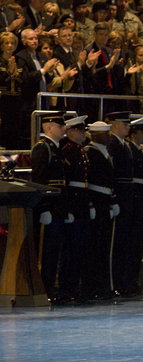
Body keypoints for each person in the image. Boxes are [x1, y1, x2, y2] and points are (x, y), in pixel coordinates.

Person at [30, 111, 71, 304]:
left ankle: (52, 287)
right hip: (49, 208)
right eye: (59, 125)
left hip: (59, 207)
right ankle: (44, 289)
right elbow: (39, 180)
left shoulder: (57, 148)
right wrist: (44, 207)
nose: (64, 128)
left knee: (56, 251)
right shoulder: (42, 149)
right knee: (46, 252)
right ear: (48, 127)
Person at [83, 121, 119, 301]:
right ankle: (92, 287)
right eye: (106, 134)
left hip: (105, 202)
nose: (109, 136)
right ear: (96, 135)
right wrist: (90, 204)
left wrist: (112, 201)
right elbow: (87, 180)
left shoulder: (106, 152)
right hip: (96, 202)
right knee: (94, 247)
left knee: (104, 246)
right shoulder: (90, 153)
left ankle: (102, 286)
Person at [60, 114, 90, 303]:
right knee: (70, 250)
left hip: (82, 203)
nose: (83, 133)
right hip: (74, 202)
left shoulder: (80, 150)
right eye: (79, 130)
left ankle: (74, 287)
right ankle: (65, 289)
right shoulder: (67, 151)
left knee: (80, 250)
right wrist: (68, 208)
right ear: (70, 131)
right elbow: (66, 182)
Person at [105, 111, 134, 296]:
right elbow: (111, 174)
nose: (128, 127)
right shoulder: (112, 144)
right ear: (114, 125)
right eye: (124, 124)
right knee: (116, 245)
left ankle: (123, 282)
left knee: (125, 243)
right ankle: (114, 282)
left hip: (127, 197)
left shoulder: (124, 145)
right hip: (119, 195)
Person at [127, 116, 143, 296]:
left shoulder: (139, 151)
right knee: (131, 244)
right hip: (134, 199)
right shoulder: (130, 150)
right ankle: (129, 281)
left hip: (140, 200)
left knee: (137, 245)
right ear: (134, 134)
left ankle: (133, 280)